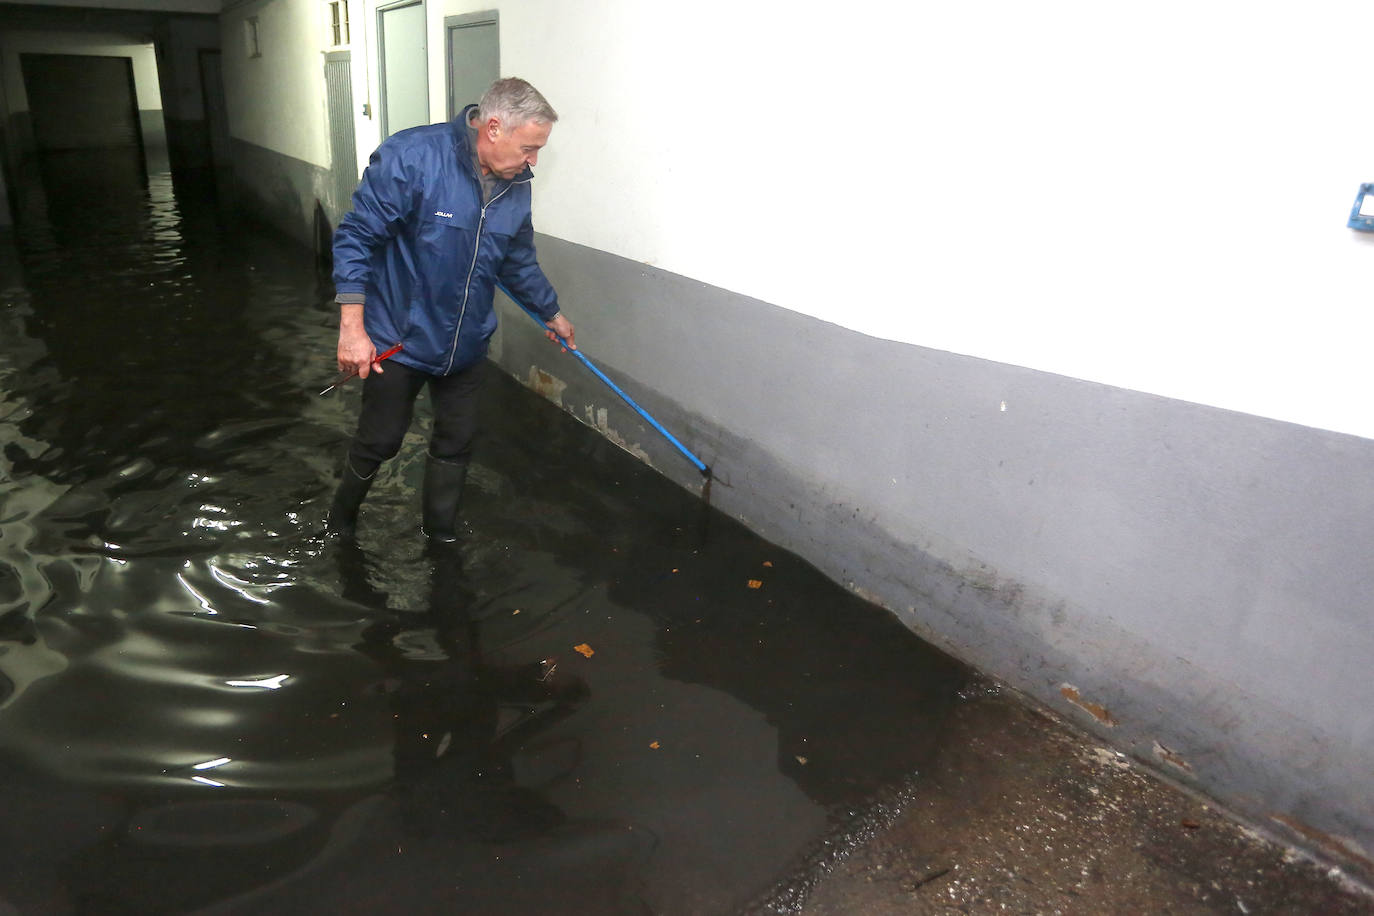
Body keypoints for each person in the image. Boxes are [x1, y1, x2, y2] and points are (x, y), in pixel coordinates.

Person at [328, 78, 574, 541]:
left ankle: (439, 538)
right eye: (529, 148)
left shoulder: (515, 185)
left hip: (465, 342)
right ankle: (338, 526)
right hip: (397, 339)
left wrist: (551, 312)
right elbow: (356, 238)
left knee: (457, 442)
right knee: (380, 441)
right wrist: (352, 329)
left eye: (538, 150)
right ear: (494, 127)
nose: (533, 161)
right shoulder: (414, 156)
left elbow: (516, 259)